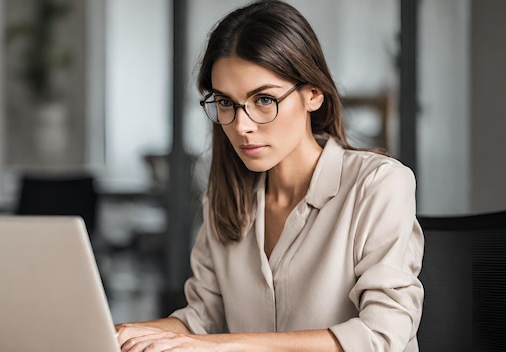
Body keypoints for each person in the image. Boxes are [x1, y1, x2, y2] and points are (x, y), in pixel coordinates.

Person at [116, 1, 424, 351]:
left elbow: (382, 337)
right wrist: (116, 333)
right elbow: (201, 319)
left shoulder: (379, 185)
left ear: (313, 94)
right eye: (226, 103)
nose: (242, 126)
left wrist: (222, 346)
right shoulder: (226, 196)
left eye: (263, 99)